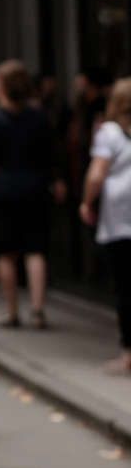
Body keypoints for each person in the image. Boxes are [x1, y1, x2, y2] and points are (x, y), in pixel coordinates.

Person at [0, 59, 59, 329]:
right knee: (36, 249)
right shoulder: (40, 117)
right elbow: (51, 154)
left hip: (4, 188)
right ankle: (37, 310)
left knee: (5, 252)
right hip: (35, 187)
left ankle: (12, 311)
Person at [81, 77, 131, 374]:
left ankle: (129, 353)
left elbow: (96, 174)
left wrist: (87, 202)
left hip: (120, 219)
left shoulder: (109, 132)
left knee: (125, 288)